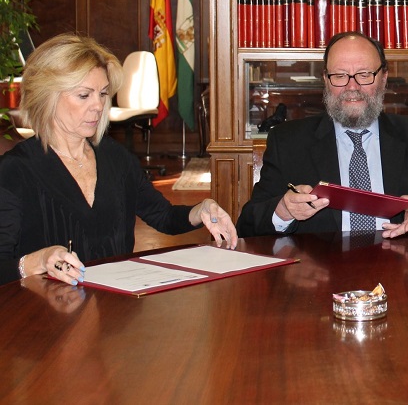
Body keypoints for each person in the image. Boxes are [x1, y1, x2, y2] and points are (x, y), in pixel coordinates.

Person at [0, 33, 238, 286]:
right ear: (47, 96)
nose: (98, 106)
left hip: (117, 311)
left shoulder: (115, 157)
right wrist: (40, 260)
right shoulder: (16, 169)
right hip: (45, 316)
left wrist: (201, 210)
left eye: (103, 94)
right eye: (84, 95)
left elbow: (163, 216)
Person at [237, 31, 408, 238]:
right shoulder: (287, 142)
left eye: (364, 74)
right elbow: (247, 226)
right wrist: (283, 211)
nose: (352, 87)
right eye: (339, 76)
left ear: (383, 78)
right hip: (319, 276)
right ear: (325, 80)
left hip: (399, 272)